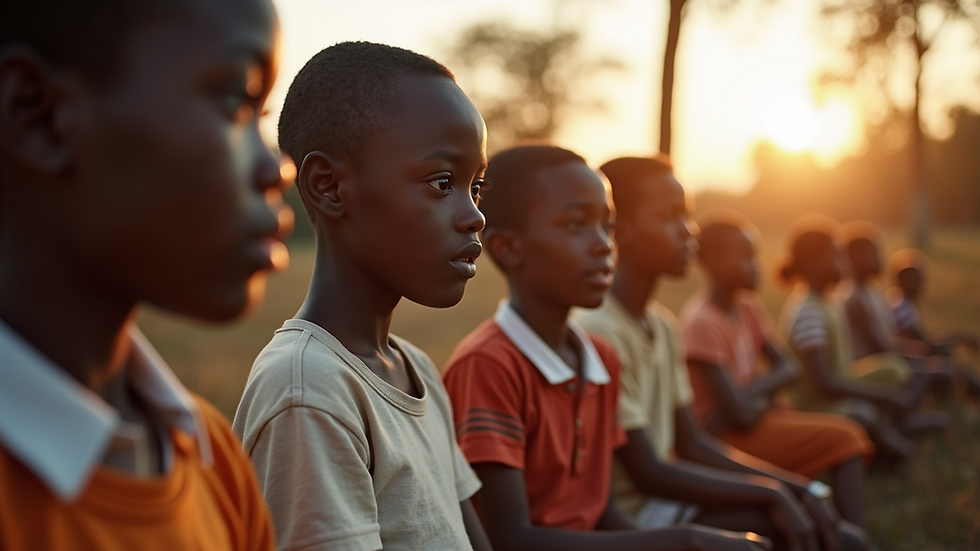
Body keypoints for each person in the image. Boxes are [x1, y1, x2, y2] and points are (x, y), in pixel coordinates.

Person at [0, 0, 288, 549]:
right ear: (37, 115)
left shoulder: (214, 458)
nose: (276, 167)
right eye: (236, 101)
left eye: (263, 116)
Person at [232, 42, 493, 551]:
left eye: (476, 187)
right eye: (442, 182)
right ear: (329, 186)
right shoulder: (308, 390)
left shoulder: (415, 369)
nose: (474, 215)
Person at [443, 145, 769, 551]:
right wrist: (685, 541)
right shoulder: (489, 366)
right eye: (576, 225)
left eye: (607, 226)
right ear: (509, 247)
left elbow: (600, 513)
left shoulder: (600, 358)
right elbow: (510, 539)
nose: (603, 245)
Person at [576, 157, 866, 551]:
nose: (688, 232)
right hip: (636, 518)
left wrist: (794, 487)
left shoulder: (662, 325)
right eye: (670, 216)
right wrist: (772, 492)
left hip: (670, 502)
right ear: (621, 231)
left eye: (689, 216)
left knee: (842, 536)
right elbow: (647, 472)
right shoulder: (599, 331)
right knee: (834, 539)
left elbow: (691, 442)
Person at [680, 214, 873, 527]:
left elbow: (789, 367)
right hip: (725, 438)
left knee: (839, 427)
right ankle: (848, 533)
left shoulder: (747, 307)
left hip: (754, 416)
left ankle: (833, 523)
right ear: (713, 261)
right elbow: (738, 416)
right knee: (847, 436)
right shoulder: (702, 322)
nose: (756, 265)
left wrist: (750, 393)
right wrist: (756, 398)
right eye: (745, 258)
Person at [776, 217, 916, 462]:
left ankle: (894, 431)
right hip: (813, 403)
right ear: (812, 263)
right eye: (837, 257)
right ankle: (892, 452)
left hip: (839, 382)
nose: (845, 264)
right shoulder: (807, 311)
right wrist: (879, 395)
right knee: (866, 413)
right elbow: (823, 383)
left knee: (892, 368)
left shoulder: (829, 301)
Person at [840, 223, 954, 418]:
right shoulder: (854, 299)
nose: (881, 259)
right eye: (875, 254)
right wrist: (923, 361)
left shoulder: (872, 293)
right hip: (871, 367)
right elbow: (881, 349)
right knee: (930, 371)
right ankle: (904, 418)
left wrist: (921, 352)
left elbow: (887, 341)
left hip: (884, 361)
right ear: (857, 258)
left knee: (936, 365)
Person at [885, 248, 980, 397]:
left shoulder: (901, 301)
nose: (921, 284)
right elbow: (922, 344)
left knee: (946, 354)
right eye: (916, 279)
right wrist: (959, 337)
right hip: (905, 359)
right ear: (901, 279)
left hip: (910, 355)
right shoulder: (900, 307)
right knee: (953, 366)